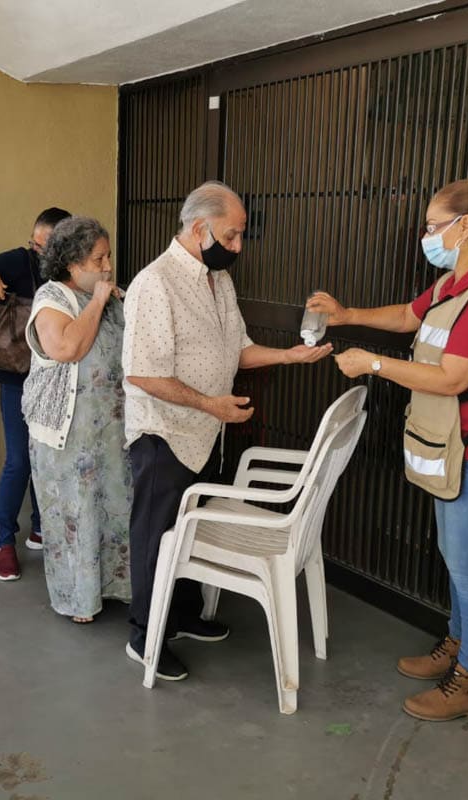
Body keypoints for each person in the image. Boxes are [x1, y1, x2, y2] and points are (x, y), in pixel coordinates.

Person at [310, 178, 468, 721]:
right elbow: (407, 317)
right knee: (459, 562)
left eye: (435, 226)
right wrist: (347, 315)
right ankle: (458, 644)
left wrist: (373, 363)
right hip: (457, 451)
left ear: (467, 225)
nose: (427, 236)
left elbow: (453, 378)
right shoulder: (455, 283)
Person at [123, 180, 332, 681]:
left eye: (240, 236)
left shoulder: (218, 279)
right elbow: (142, 374)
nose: (238, 247)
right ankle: (145, 636)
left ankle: (183, 613)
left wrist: (288, 356)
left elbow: (238, 349)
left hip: (207, 431)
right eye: (232, 235)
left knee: (190, 526)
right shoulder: (156, 283)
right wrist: (209, 404)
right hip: (165, 432)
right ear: (200, 229)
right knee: (156, 536)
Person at [23, 216, 131, 622]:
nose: (108, 266)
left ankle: (116, 587)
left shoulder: (113, 298)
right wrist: (99, 302)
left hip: (112, 430)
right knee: (75, 514)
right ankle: (78, 599)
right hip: (68, 436)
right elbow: (67, 348)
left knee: (115, 507)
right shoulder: (52, 297)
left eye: (108, 257)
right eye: (98, 259)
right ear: (72, 263)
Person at [0, 206, 71, 581]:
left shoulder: (76, 270)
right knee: (19, 460)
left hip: (60, 379)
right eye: (35, 244)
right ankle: (5, 541)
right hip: (18, 376)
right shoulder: (21, 261)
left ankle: (41, 527)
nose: (38, 251)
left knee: (48, 457)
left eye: (46, 246)